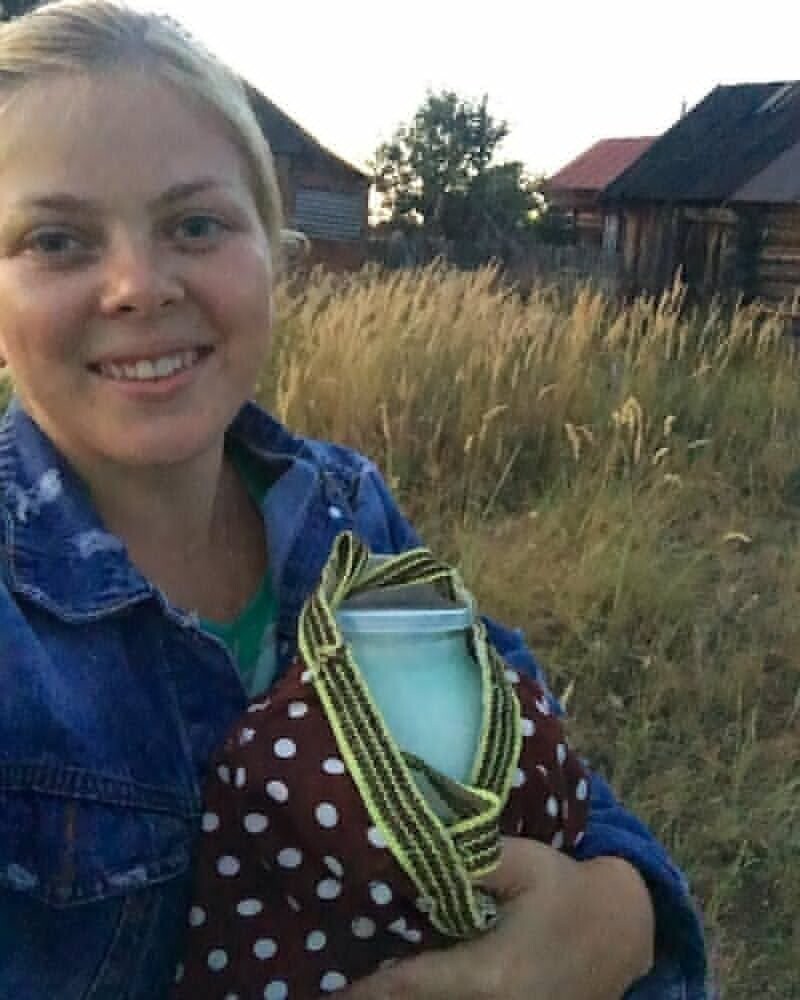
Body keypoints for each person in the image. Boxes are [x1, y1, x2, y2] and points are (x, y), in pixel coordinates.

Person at [0, 2, 708, 997]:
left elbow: (527, 754)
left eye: (195, 224)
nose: (138, 286)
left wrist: (620, 914)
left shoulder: (343, 513)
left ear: (273, 254)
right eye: (57, 240)